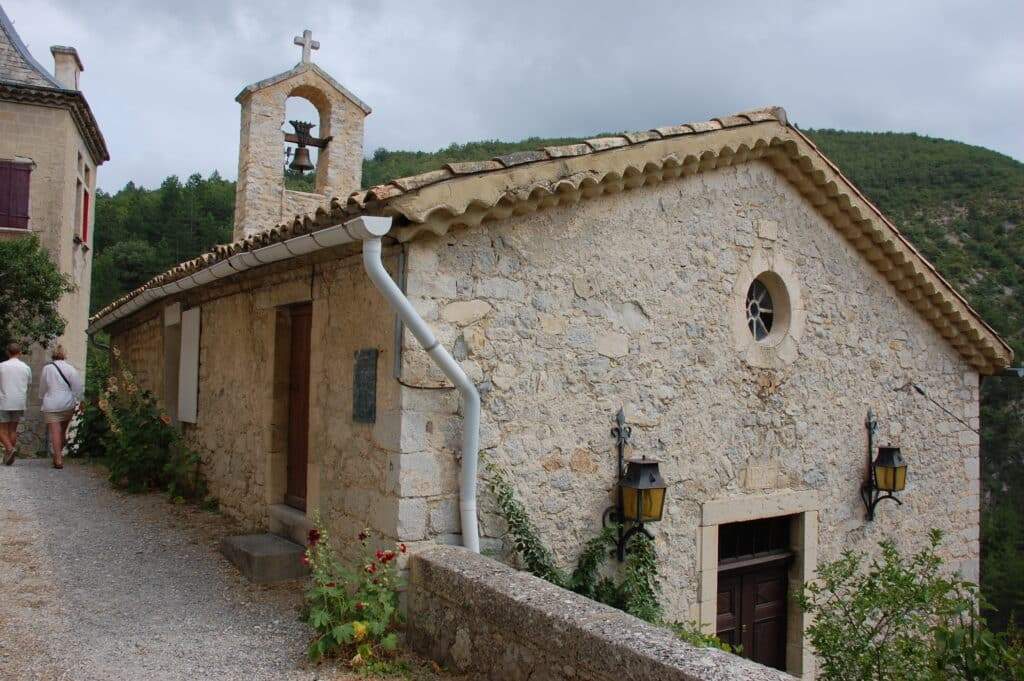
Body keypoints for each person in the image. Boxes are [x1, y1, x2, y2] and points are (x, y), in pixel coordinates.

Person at [39, 345, 83, 469]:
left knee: (55, 432)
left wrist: (42, 396)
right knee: (62, 431)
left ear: (53, 354)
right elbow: (78, 387)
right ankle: (58, 456)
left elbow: (43, 386)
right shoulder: (71, 368)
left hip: (51, 403)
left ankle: (58, 459)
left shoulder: (47, 369)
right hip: (67, 403)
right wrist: (81, 401)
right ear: (65, 354)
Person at [0, 342, 32, 466]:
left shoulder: (1, 366)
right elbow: (29, 385)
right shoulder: (26, 368)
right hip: (19, 402)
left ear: (7, 352)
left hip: (3, 401)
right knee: (12, 430)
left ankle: (9, 449)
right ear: (20, 352)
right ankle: (9, 457)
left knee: (2, 430)